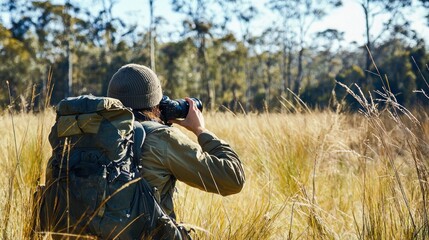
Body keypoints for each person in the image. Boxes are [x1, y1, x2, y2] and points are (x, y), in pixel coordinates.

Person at [106, 63, 245, 227]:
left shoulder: (88, 130)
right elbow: (233, 178)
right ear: (155, 104)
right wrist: (200, 129)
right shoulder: (160, 138)